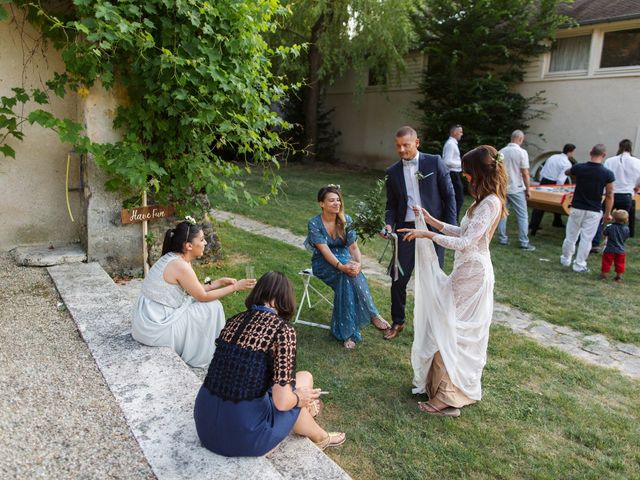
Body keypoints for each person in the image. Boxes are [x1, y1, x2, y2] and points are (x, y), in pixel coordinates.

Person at [398, 145, 507, 417]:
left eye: (469, 173)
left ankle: (448, 398)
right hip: (465, 271)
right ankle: (441, 388)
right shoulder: (481, 201)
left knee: (452, 329)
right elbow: (462, 230)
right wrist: (429, 220)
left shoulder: (492, 202)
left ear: (479, 172)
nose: (465, 177)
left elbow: (467, 242)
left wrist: (428, 236)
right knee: (446, 325)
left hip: (474, 274)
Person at [194, 272, 345, 456]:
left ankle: (316, 428)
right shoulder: (282, 330)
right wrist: (300, 399)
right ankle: (320, 435)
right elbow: (282, 403)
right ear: (286, 298)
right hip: (242, 435)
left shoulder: (234, 321)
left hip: (204, 422)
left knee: (303, 378)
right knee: (300, 389)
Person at [132, 219, 255, 368]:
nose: (205, 243)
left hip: (147, 322)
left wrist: (217, 283)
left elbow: (194, 289)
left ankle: (211, 349)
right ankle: (207, 354)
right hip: (155, 329)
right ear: (189, 246)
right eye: (202, 240)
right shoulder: (180, 265)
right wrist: (235, 287)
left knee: (201, 305)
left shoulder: (176, 257)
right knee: (212, 307)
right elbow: (202, 297)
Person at [382, 126, 457, 341]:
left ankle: (434, 326)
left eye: (406, 145)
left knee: (434, 279)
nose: (402, 150)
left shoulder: (434, 162)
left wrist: (449, 228)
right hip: (405, 229)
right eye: (398, 146)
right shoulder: (392, 171)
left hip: (432, 229)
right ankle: (398, 321)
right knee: (398, 279)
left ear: (417, 143)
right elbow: (392, 205)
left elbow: (449, 196)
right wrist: (388, 224)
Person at [305, 185, 390, 349]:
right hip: (323, 262)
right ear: (321, 203)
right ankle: (372, 314)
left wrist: (358, 264)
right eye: (331, 200)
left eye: (338, 200)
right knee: (346, 275)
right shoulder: (314, 223)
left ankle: (348, 333)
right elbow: (324, 250)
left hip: (344, 259)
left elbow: (353, 248)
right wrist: (342, 267)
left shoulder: (346, 220)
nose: (336, 203)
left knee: (349, 278)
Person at [560, 144, 615, 273]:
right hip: (594, 209)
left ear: (590, 152)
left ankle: (566, 259)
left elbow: (567, 172)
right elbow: (609, 195)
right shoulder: (607, 173)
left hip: (577, 206)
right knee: (586, 239)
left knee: (571, 236)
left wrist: (576, 176)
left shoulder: (580, 167)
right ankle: (579, 264)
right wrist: (608, 213)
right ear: (604, 155)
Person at [592, 139, 640, 250]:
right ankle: (619, 244)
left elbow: (605, 175)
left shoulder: (610, 160)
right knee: (622, 222)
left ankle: (595, 242)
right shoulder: (637, 162)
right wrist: (637, 186)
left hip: (612, 194)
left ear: (619, 146)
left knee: (601, 218)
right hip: (627, 194)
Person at [497, 130, 536, 251]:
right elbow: (525, 172)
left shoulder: (501, 152)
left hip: (503, 187)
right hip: (517, 188)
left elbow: (496, 171)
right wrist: (528, 189)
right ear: (520, 139)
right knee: (522, 215)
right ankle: (524, 242)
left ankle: (502, 238)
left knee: (503, 214)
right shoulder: (522, 152)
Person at [529, 143, 576, 235]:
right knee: (547, 205)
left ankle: (539, 223)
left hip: (544, 180)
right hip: (554, 183)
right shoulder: (567, 163)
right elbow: (561, 179)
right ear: (570, 152)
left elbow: (543, 170)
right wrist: (559, 190)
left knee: (539, 204)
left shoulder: (553, 157)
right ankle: (535, 226)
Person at [600, 210, 630, 282]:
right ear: (626, 219)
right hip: (621, 250)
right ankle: (618, 277)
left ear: (614, 218)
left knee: (606, 262)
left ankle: (604, 275)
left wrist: (606, 224)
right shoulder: (626, 228)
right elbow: (626, 237)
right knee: (620, 263)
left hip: (609, 249)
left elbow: (604, 233)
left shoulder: (610, 227)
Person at [442, 124, 465, 221]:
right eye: (460, 132)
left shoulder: (452, 143)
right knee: (458, 199)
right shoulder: (451, 144)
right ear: (455, 132)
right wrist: (462, 164)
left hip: (454, 174)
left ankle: (453, 219)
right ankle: (453, 220)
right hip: (452, 174)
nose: (462, 134)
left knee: (458, 199)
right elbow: (447, 161)